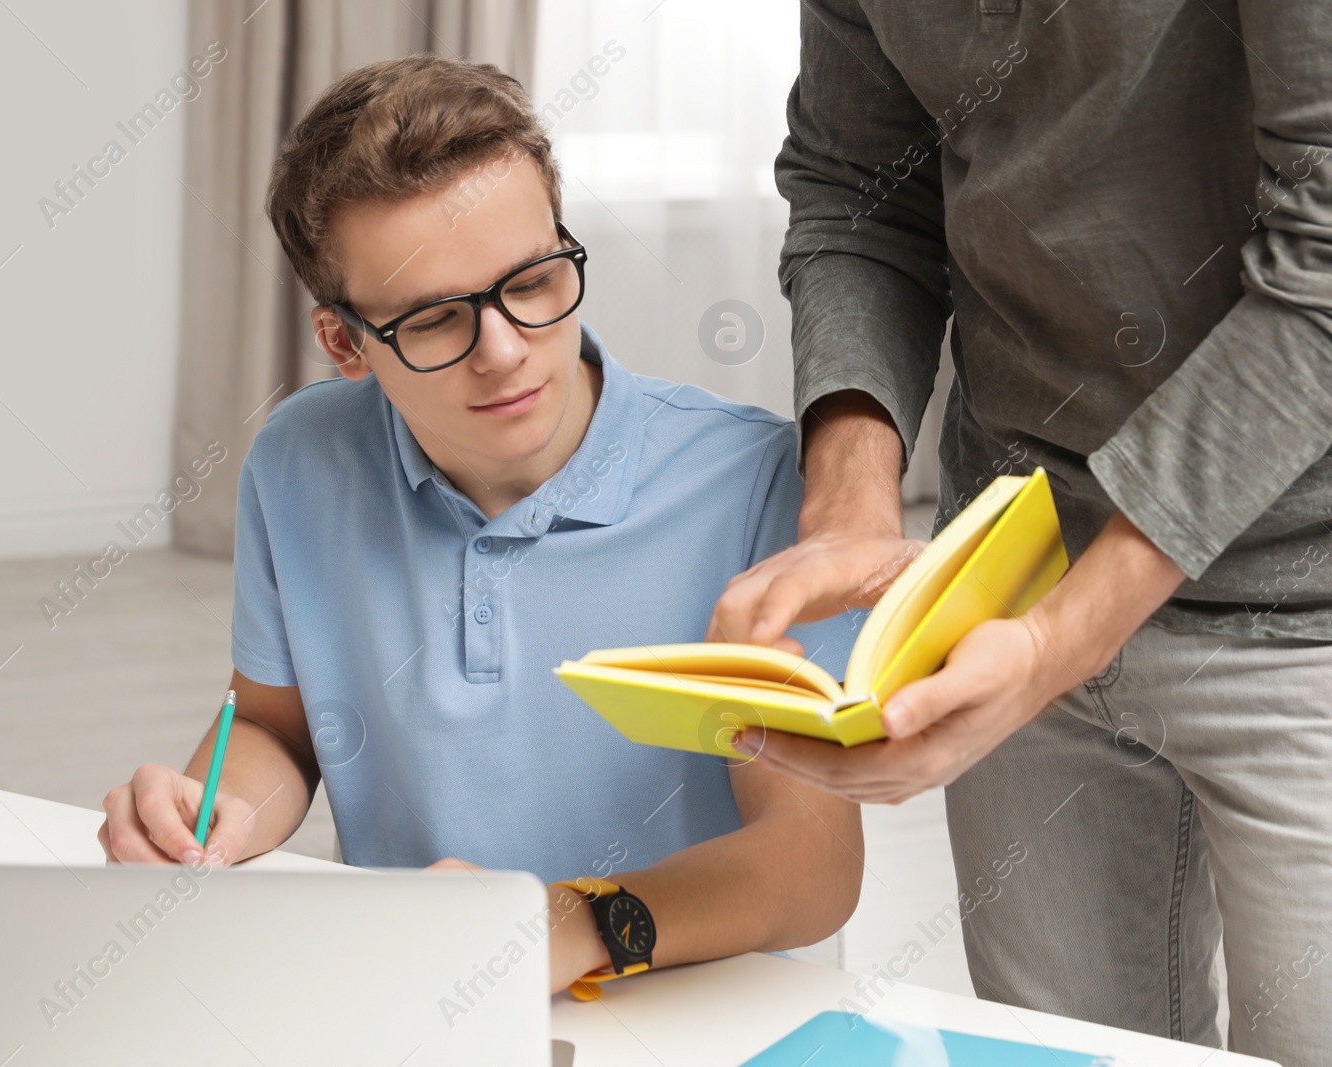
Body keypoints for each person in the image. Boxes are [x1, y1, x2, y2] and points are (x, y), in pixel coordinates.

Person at [98, 54, 864, 1000]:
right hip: (418, 1001)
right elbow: (273, 730)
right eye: (432, 319)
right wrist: (210, 814)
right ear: (343, 342)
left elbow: (812, 863)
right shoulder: (298, 461)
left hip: (696, 1010)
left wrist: (563, 926)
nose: (504, 353)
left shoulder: (755, 485)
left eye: (532, 282)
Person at [708, 4, 1332, 1064]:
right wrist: (851, 511)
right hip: (1012, 548)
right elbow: (860, 197)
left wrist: (1056, 642)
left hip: (1299, 590)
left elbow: (1321, 264)